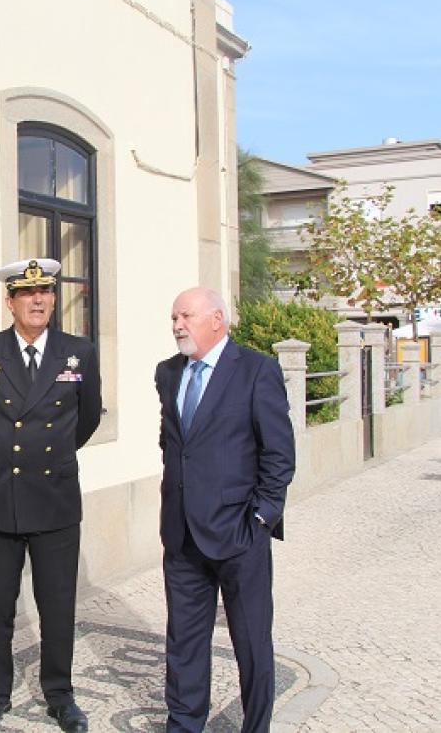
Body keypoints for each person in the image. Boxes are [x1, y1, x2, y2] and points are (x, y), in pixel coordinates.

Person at [0, 258, 102, 732]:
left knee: (57, 604)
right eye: (27, 293)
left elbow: (86, 421)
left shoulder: (79, 353)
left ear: (54, 299)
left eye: (46, 293)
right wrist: (6, 458)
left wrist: (54, 456)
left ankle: (60, 695)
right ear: (10, 302)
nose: (38, 300)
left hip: (56, 496)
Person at [154, 287, 295, 732]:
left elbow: (279, 454)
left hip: (239, 534)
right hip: (182, 537)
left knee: (251, 643)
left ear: (217, 319)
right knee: (184, 644)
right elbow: (174, 444)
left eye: (186, 316)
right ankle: (184, 725)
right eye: (174, 317)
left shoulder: (256, 370)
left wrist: (261, 518)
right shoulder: (168, 373)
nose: (177, 325)